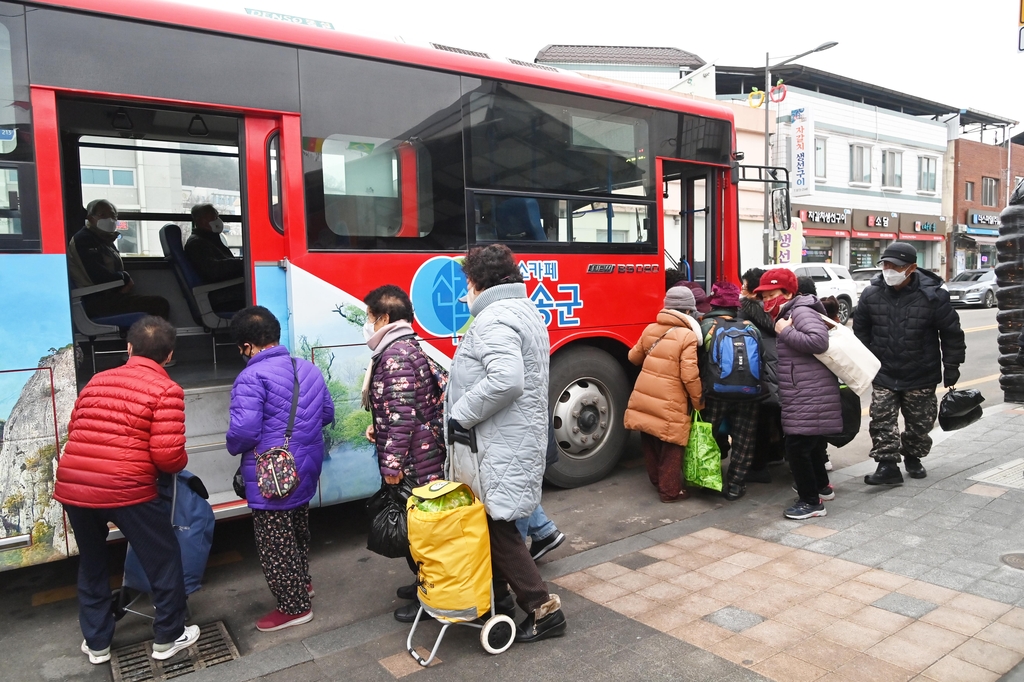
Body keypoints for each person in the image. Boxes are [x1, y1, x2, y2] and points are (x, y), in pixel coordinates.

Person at [54, 316, 199, 664]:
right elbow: (167, 457)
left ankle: (98, 643)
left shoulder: (96, 380)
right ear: (169, 356)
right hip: (128, 490)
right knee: (162, 560)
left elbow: (77, 427)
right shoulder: (167, 389)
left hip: (76, 487)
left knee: (92, 564)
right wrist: (179, 464)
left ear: (129, 348)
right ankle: (168, 637)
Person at [445, 244, 566, 643]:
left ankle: (542, 609)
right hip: (509, 437)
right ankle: (499, 603)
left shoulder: (493, 319)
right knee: (494, 522)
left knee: (498, 527)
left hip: (498, 441)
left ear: (479, 282)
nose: (465, 293)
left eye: (466, 284)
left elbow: (507, 380)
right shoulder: (521, 310)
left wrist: (460, 413)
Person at [226, 306, 335, 632]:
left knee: (275, 541)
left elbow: (243, 432)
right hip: (307, 465)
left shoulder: (250, 376)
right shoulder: (307, 368)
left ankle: (294, 607)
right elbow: (327, 414)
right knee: (298, 528)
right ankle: (303, 584)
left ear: (247, 345)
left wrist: (232, 445)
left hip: (273, 472)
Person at [359, 285, 446, 623]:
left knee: (421, 533)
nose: (368, 324)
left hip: (414, 461)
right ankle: (423, 584)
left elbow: (403, 412)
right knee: (421, 529)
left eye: (370, 317)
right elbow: (400, 409)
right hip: (419, 453)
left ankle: (432, 597)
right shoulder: (405, 346)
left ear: (384, 317)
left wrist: (392, 462)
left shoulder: (394, 355)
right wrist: (378, 429)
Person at [854, 242, 966, 485]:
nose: (889, 270)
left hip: (921, 372)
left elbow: (951, 333)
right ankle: (887, 466)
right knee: (882, 420)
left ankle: (913, 457)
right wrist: (860, 365)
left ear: (911, 268)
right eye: (885, 265)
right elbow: (861, 333)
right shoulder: (871, 294)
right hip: (883, 371)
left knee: (919, 424)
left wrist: (952, 365)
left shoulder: (933, 296)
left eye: (895, 266)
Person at [762, 269, 842, 519]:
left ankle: (811, 502)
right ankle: (821, 487)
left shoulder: (800, 311)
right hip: (806, 391)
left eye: (772, 294)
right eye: (763, 296)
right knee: (811, 443)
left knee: (797, 447)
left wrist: (785, 332)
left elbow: (819, 342)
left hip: (810, 392)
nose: (767, 301)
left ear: (788, 292)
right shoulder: (793, 311)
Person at [624, 285, 704, 502]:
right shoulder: (687, 336)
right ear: (688, 311)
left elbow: (633, 357)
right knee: (672, 443)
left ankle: (657, 481)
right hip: (671, 399)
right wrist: (698, 401)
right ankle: (670, 491)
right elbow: (689, 375)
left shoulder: (651, 329)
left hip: (645, 394)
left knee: (650, 435)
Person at [699, 282, 762, 501]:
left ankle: (709, 481)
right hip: (748, 391)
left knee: (709, 435)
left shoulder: (707, 326)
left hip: (715, 392)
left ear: (714, 303)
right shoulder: (750, 327)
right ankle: (736, 484)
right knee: (744, 438)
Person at [67, 199, 171, 320]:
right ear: (91, 218)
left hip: (108, 297)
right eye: (103, 215)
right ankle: (152, 339)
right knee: (159, 304)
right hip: (96, 302)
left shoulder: (104, 240)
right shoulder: (84, 240)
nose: (110, 219)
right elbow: (99, 277)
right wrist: (124, 277)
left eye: (113, 216)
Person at [739, 268, 783, 483]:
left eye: (745, 285)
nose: (742, 290)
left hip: (761, 374)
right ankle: (777, 455)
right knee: (777, 416)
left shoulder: (745, 312)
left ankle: (759, 467)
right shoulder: (780, 312)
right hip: (780, 373)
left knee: (760, 420)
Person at [184, 203, 246, 313]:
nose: (218, 220)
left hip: (225, 290)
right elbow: (214, 271)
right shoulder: (197, 244)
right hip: (221, 295)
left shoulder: (210, 240)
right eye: (214, 217)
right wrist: (241, 264)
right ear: (201, 221)